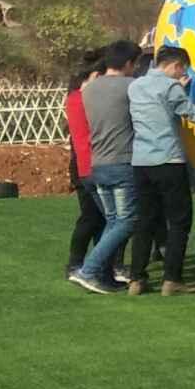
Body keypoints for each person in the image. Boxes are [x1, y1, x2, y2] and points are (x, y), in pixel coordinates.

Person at [123, 44, 195, 295]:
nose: (182, 74)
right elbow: (193, 115)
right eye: (182, 70)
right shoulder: (171, 87)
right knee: (179, 221)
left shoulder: (135, 86)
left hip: (141, 161)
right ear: (176, 66)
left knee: (145, 220)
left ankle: (137, 278)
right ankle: (172, 278)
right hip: (168, 160)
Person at [68, 42, 142, 295]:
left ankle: (100, 273)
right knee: (127, 221)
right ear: (129, 63)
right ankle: (88, 270)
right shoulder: (131, 86)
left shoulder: (88, 89)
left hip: (97, 163)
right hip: (122, 161)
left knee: (112, 220)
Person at [62, 52, 101, 278]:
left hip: (85, 163)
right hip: (85, 164)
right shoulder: (81, 97)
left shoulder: (77, 95)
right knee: (91, 216)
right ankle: (77, 263)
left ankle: (96, 263)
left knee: (98, 217)